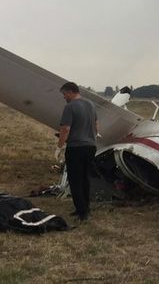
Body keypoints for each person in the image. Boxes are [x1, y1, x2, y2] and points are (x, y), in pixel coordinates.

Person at [58, 81, 97, 221]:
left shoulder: (69, 107)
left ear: (70, 92)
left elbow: (65, 129)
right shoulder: (91, 105)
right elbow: (96, 125)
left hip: (76, 147)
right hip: (91, 146)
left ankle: (82, 213)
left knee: (75, 179)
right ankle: (85, 207)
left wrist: (60, 146)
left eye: (64, 94)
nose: (64, 97)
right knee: (85, 178)